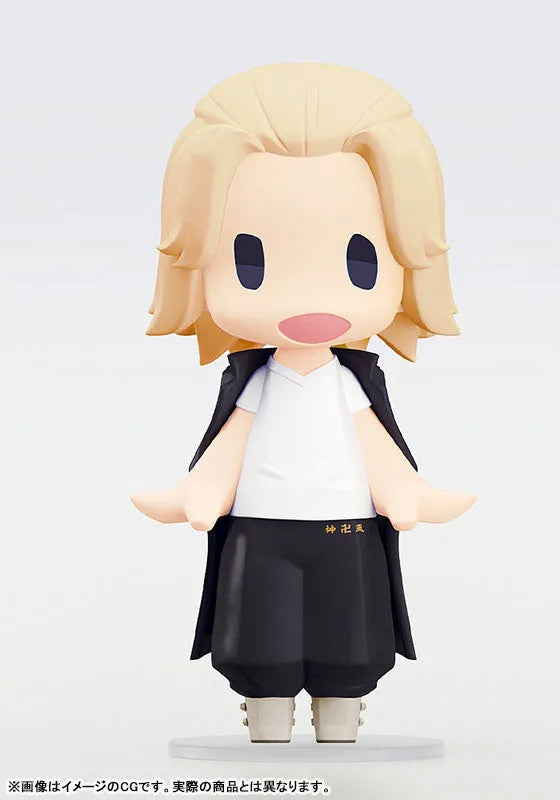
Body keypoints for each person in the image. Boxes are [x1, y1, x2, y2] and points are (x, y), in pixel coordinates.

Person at [131, 63, 476, 744]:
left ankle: (341, 719)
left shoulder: (349, 384)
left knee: (351, 640)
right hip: (259, 532)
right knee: (258, 640)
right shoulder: (255, 384)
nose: (308, 302)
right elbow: (230, 445)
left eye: (360, 262)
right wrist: (199, 490)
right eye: (251, 263)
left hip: (347, 531)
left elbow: (377, 447)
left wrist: (406, 491)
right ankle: (265, 719)